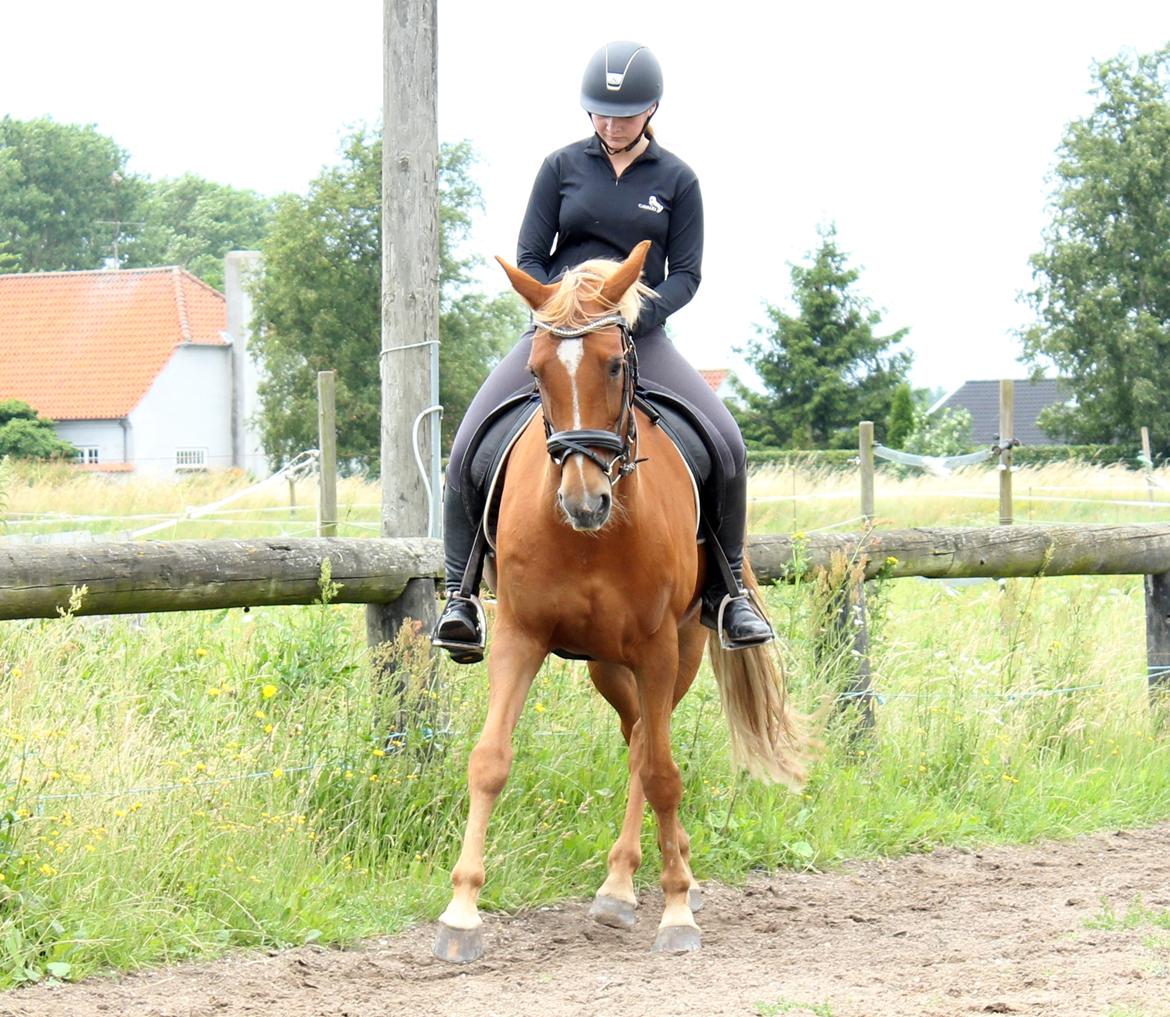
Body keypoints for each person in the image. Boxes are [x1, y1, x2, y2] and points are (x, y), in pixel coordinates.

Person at [432, 40, 773, 663]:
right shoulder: (560, 167)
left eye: (626, 114)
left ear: (652, 111)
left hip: (639, 334)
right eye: (602, 114)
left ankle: (729, 595)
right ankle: (459, 596)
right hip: (563, 333)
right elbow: (531, 255)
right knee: (467, 442)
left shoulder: (677, 179)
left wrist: (637, 311)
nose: (612, 125)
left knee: (726, 444)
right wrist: (567, 307)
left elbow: (687, 275)